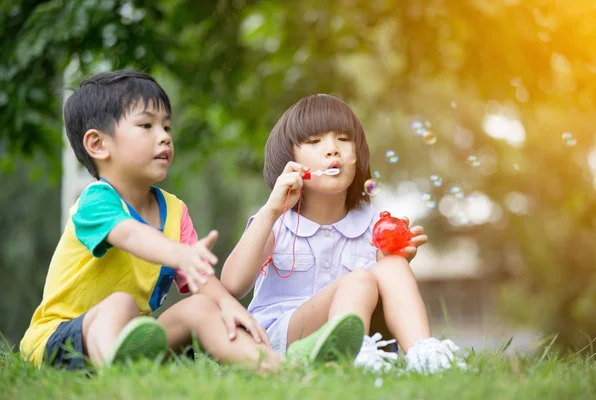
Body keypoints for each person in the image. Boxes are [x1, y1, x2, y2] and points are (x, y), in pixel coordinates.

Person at [20, 71, 361, 372]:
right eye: (146, 126)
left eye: (167, 126)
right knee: (120, 303)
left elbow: (200, 280)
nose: (165, 136)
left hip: (137, 337)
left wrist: (229, 305)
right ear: (98, 144)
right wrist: (179, 254)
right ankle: (119, 380)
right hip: (62, 340)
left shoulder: (174, 210)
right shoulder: (95, 202)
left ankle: (276, 368)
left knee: (200, 306)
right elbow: (129, 235)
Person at [221, 94, 464, 373]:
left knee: (391, 266)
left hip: (365, 330)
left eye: (344, 139)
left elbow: (389, 293)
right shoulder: (277, 220)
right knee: (359, 280)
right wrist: (271, 210)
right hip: (285, 339)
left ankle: (424, 355)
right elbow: (232, 285)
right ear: (289, 159)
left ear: (358, 154)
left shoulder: (373, 223)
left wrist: (392, 259)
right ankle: (356, 355)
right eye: (314, 141)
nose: (332, 149)